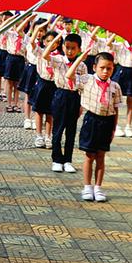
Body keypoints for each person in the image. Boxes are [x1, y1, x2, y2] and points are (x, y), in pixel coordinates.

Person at [65, 50, 122, 202]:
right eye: (102, 67)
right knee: (89, 155)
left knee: (101, 156)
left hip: (107, 121)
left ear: (113, 69)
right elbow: (69, 75)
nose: (105, 71)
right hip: (91, 120)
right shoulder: (87, 80)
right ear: (94, 67)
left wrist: (114, 128)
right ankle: (87, 186)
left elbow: (115, 109)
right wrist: (80, 59)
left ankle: (98, 187)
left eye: (109, 68)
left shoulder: (115, 86)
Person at [44, 33, 87, 173]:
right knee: (58, 128)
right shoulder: (58, 60)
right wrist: (55, 41)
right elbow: (45, 55)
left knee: (71, 130)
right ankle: (56, 159)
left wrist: (82, 104)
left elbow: (84, 86)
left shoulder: (82, 65)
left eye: (73, 48)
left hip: (74, 96)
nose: (70, 51)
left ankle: (68, 160)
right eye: (67, 47)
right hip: (60, 95)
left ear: (79, 49)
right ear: (63, 47)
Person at [30, 30, 58, 149]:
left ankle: (48, 136)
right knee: (39, 111)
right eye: (48, 41)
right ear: (44, 41)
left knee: (50, 112)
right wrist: (39, 28)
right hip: (42, 83)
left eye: (54, 41)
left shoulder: (59, 57)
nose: (51, 43)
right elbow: (32, 41)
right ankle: (38, 135)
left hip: (54, 85)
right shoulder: (40, 52)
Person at [19, 18, 48, 129]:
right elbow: (19, 30)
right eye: (38, 30)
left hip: (42, 71)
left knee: (39, 95)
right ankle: (27, 118)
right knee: (28, 94)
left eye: (42, 30)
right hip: (31, 69)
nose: (40, 33)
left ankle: (37, 119)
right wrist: (27, 18)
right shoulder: (29, 39)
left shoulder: (47, 44)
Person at [111, 38, 132, 138]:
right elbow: (109, 44)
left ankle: (128, 126)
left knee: (130, 100)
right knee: (115, 100)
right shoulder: (120, 45)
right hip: (122, 71)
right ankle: (115, 125)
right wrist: (115, 33)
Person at [3, 18, 29, 114]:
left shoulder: (26, 37)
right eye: (16, 25)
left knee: (17, 84)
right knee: (9, 82)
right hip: (11, 57)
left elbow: (26, 49)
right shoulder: (10, 34)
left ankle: (16, 103)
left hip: (20, 59)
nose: (18, 28)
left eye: (20, 25)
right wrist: (11, 19)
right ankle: (9, 103)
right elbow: (3, 27)